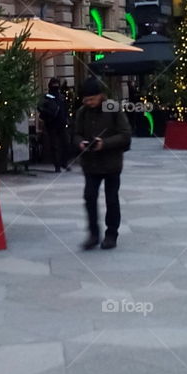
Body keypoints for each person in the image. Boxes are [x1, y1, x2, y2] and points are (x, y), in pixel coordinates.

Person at [74, 77, 132, 250]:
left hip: (111, 163)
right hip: (90, 164)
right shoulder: (82, 112)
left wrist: (104, 143)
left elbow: (125, 134)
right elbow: (75, 133)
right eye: (85, 99)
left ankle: (111, 234)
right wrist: (80, 143)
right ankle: (93, 234)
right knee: (89, 197)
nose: (88, 102)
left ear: (100, 96)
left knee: (111, 199)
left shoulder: (112, 107)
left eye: (91, 99)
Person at [37, 77, 69, 172]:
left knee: (65, 144)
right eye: (54, 84)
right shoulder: (47, 96)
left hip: (60, 123)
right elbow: (40, 107)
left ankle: (63, 163)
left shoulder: (60, 96)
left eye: (57, 84)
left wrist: (66, 118)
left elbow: (64, 109)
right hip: (52, 124)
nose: (56, 86)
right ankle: (58, 165)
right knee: (55, 145)